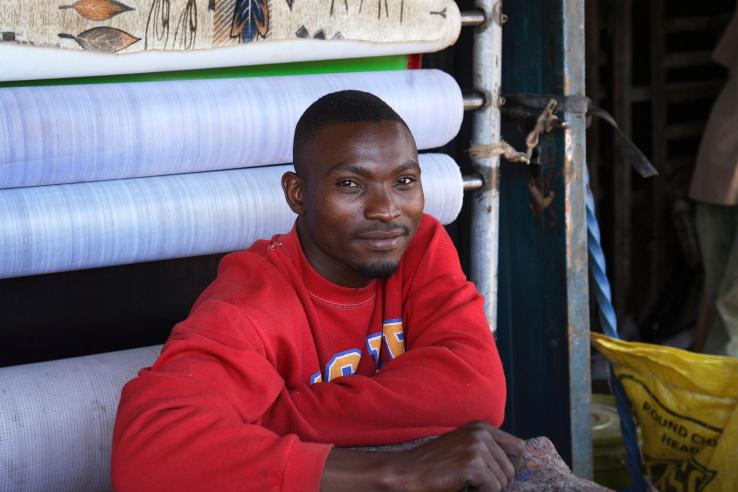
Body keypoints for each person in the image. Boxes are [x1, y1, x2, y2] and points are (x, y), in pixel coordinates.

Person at [111, 90, 522, 491]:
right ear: (297, 194)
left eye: (404, 180)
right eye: (350, 184)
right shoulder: (255, 298)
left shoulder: (419, 246)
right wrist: (396, 473)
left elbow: (477, 391)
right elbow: (146, 452)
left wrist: (272, 417)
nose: (386, 209)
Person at [689, 11, 738, 357]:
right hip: (724, 161)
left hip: (722, 159)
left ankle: (704, 396)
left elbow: (726, 57)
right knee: (727, 301)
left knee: (722, 296)